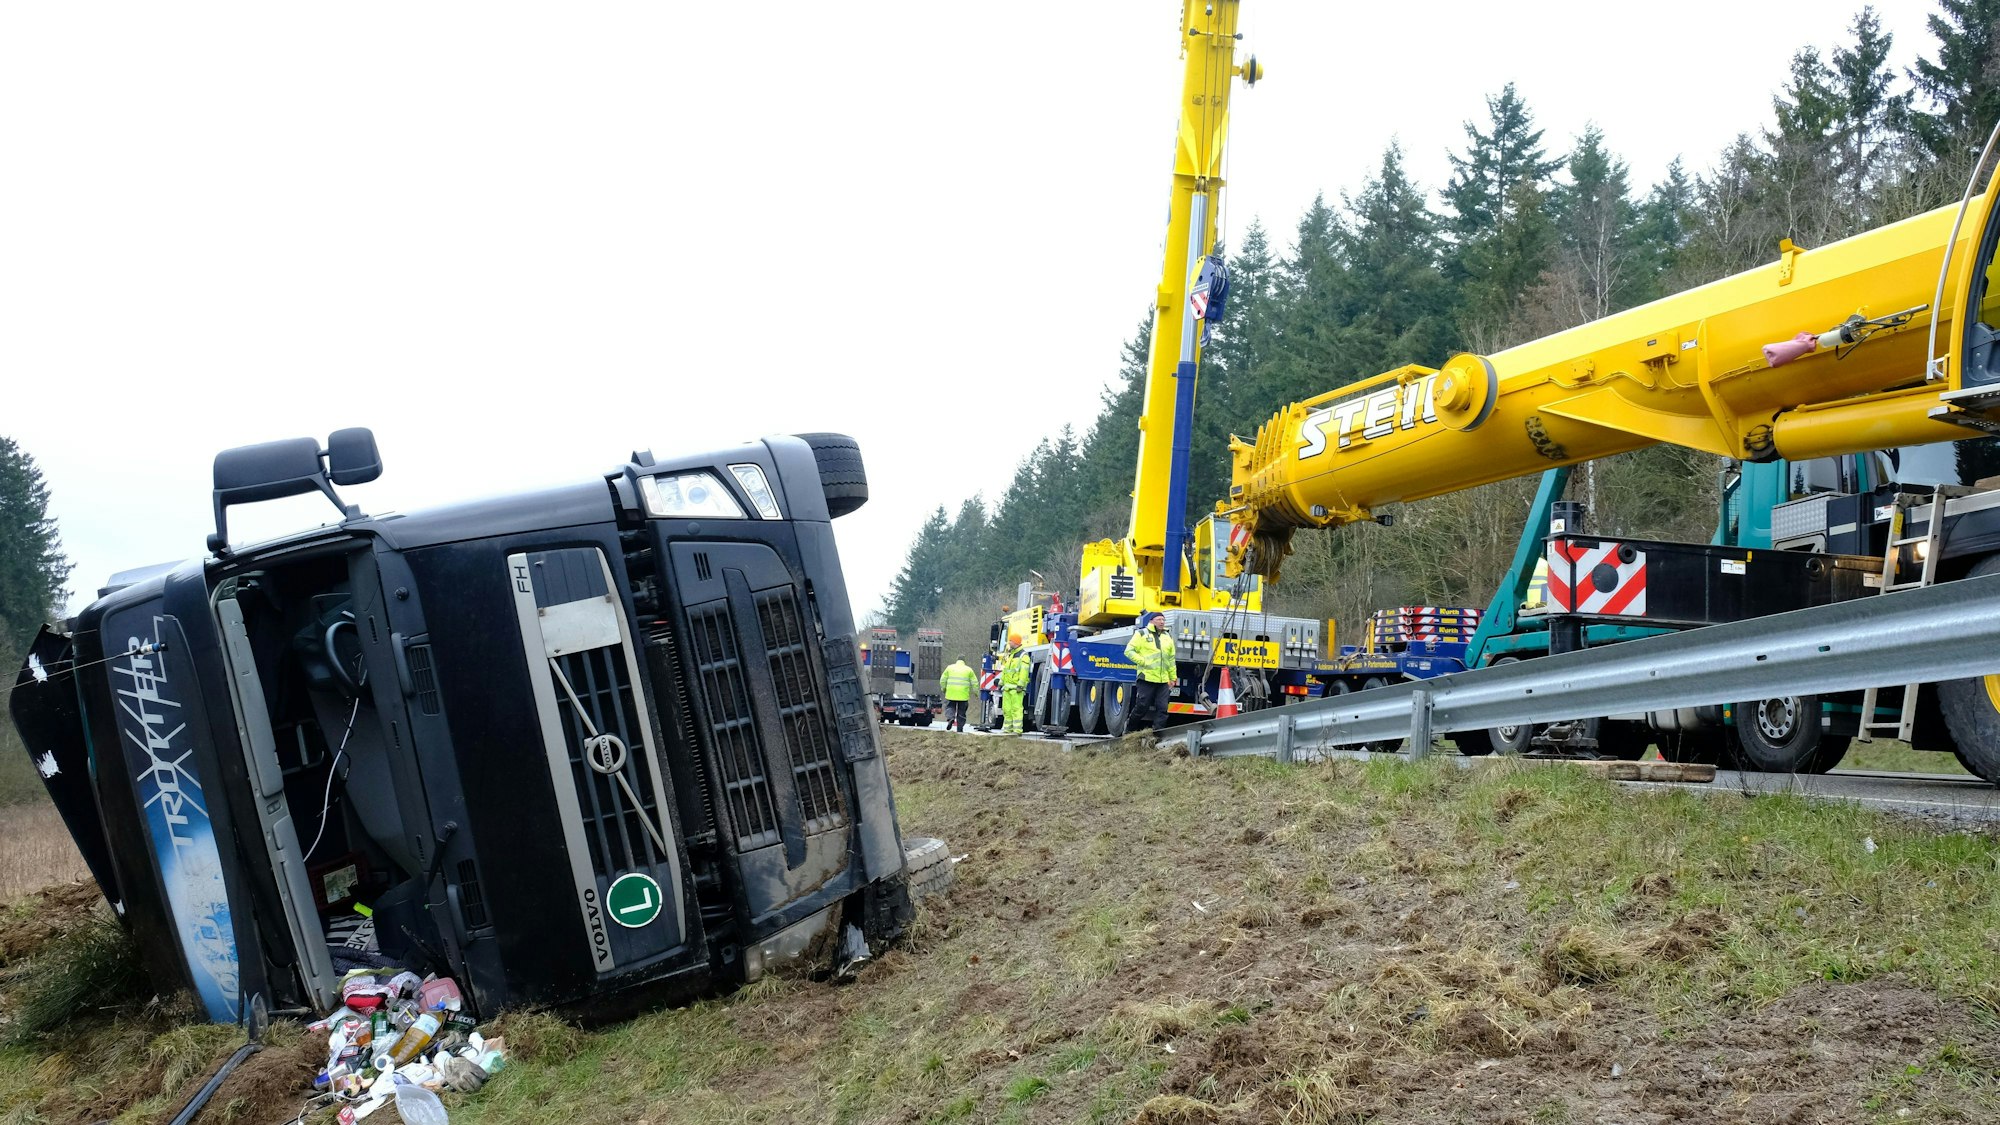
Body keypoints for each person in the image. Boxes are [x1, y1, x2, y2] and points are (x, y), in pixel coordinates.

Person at [1123, 612, 1177, 732]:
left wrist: (1173, 677)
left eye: (1163, 620)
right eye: (1159, 619)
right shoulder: (1141, 634)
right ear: (1152, 621)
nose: (1162, 622)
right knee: (1142, 706)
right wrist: (1143, 661)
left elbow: (1171, 659)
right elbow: (1129, 651)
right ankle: (1129, 730)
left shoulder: (1167, 636)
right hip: (1146, 678)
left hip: (1163, 680)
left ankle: (1157, 733)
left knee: (1163, 708)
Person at [999, 634, 1032, 735]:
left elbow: (1024, 672)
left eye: (1011, 641)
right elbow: (1006, 671)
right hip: (1007, 688)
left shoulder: (1023, 656)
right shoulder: (1011, 655)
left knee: (1016, 709)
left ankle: (1017, 730)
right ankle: (1007, 729)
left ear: (1016, 642)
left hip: (1016, 689)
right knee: (1007, 710)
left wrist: (1020, 685)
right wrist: (1001, 682)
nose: (1009, 643)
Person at [940, 656, 976, 732]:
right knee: (961, 712)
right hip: (963, 695)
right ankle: (960, 728)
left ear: (957, 660)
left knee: (950, 707)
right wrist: (976, 693)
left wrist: (943, 689)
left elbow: (942, 680)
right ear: (964, 661)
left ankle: (950, 718)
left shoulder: (949, 668)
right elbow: (975, 683)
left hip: (951, 693)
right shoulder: (969, 670)